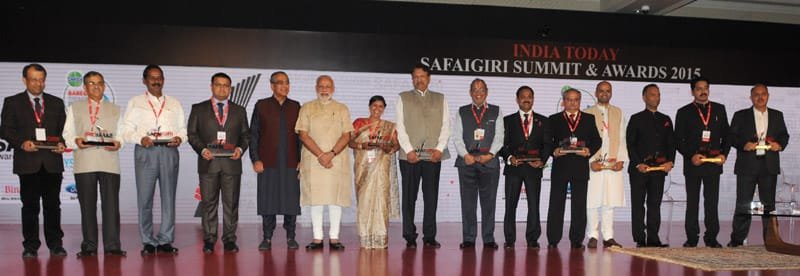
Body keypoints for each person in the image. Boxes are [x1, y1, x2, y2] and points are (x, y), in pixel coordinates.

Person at [0, 63, 68, 258]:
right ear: (24, 80)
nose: (38, 83)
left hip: (52, 162)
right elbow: (5, 129)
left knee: (53, 206)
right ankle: (30, 246)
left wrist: (62, 143)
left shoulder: (56, 102)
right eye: (34, 79)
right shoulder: (12, 102)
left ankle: (56, 244)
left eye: (41, 79)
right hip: (27, 162)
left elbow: (64, 131)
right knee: (29, 206)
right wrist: (21, 143)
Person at [119, 65, 187, 256]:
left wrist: (180, 138)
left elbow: (183, 129)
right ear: (144, 80)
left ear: (163, 80)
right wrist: (140, 138)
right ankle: (148, 240)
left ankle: (166, 239)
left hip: (169, 151)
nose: (156, 81)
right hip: (145, 151)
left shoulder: (174, 103)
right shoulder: (135, 102)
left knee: (168, 198)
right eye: (152, 78)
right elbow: (126, 129)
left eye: (159, 78)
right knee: (145, 198)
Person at [62, 71, 126, 257]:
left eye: (99, 83)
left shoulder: (115, 109)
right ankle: (89, 246)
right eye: (91, 83)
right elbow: (67, 134)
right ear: (84, 87)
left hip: (109, 162)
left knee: (111, 206)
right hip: (85, 162)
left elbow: (120, 133)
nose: (96, 86)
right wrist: (77, 141)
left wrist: (118, 143)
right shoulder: (74, 108)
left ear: (104, 86)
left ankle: (112, 246)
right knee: (87, 206)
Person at [187, 73, 250, 253]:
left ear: (230, 88)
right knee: (209, 204)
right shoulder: (198, 109)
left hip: (232, 164)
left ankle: (229, 239)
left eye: (226, 86)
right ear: (211, 86)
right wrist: (202, 150)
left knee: (231, 204)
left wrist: (240, 149)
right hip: (209, 163)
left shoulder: (239, 110)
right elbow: (192, 134)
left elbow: (246, 135)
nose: (222, 88)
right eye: (218, 85)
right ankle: (209, 239)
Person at [396, 63, 451, 248]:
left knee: (431, 197)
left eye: (422, 76)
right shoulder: (403, 98)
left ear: (429, 78)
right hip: (409, 157)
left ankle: (429, 236)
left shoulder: (440, 99)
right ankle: (409, 236)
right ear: (412, 79)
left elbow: (446, 126)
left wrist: (440, 149)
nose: (419, 80)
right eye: (415, 77)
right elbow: (400, 126)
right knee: (409, 197)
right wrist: (409, 150)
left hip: (433, 155)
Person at [296, 75, 354, 250]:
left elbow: (347, 135)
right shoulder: (307, 108)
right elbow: (303, 134)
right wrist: (322, 155)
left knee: (335, 200)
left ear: (333, 88)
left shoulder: (342, 108)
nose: (324, 89)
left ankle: (335, 238)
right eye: (321, 86)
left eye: (328, 86)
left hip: (336, 159)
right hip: (314, 160)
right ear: (316, 88)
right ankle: (317, 238)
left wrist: (331, 154)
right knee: (317, 199)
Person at [727, 84, 789, 247]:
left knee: (769, 205)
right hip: (747, 165)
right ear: (751, 97)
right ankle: (737, 240)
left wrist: (780, 145)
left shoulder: (777, 115)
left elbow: (784, 135)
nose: (760, 97)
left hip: (769, 166)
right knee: (743, 204)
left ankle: (771, 241)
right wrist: (743, 144)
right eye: (756, 94)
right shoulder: (740, 115)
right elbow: (731, 137)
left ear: (768, 96)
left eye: (763, 94)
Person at [674, 76, 730, 248]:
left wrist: (723, 154)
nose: (703, 91)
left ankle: (711, 237)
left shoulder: (719, 109)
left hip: (713, 164)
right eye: (699, 88)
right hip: (693, 164)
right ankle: (692, 238)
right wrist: (691, 155)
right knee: (693, 202)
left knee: (711, 202)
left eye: (705, 88)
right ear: (692, 91)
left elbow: (727, 136)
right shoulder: (683, 112)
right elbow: (678, 140)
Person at [250, 71, 302, 250]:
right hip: (268, 161)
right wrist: (255, 159)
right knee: (268, 200)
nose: (285, 86)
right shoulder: (262, 105)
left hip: (290, 161)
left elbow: (301, 137)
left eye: (287, 83)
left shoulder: (296, 106)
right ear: (272, 86)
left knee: (290, 200)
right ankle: (267, 237)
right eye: (280, 83)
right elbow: (254, 135)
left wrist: (301, 160)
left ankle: (291, 237)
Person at [498, 85, 553, 249]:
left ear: (533, 99)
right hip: (513, 169)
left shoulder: (544, 120)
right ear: (517, 99)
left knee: (534, 205)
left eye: (529, 96)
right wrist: (508, 157)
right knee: (510, 205)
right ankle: (509, 239)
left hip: (534, 168)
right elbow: (501, 144)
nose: (526, 99)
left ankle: (533, 238)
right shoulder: (507, 121)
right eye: (523, 96)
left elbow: (548, 144)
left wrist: (542, 160)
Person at [546, 88, 601, 249]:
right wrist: (553, 151)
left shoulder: (589, 119)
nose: (572, 102)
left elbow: (597, 141)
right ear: (563, 101)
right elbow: (548, 141)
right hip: (560, 167)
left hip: (579, 167)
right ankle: (553, 239)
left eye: (576, 99)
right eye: (569, 99)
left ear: (580, 101)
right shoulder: (554, 119)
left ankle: (577, 240)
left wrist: (589, 150)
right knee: (556, 205)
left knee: (579, 205)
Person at [452, 78, 504, 250]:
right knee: (468, 202)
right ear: (470, 92)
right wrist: (465, 155)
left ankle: (488, 238)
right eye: (475, 89)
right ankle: (468, 238)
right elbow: (457, 137)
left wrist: (490, 154)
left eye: (481, 89)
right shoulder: (462, 111)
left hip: (489, 163)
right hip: (467, 162)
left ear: (486, 92)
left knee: (488, 202)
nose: (478, 92)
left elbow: (499, 137)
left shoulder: (496, 111)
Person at [626, 84, 675, 248]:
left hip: (659, 171)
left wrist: (670, 161)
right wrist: (638, 163)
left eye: (658, 95)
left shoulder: (666, 119)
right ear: (644, 97)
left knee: (655, 204)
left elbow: (671, 143)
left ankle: (654, 238)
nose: (656, 98)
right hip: (640, 170)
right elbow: (630, 144)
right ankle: (640, 238)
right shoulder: (636, 118)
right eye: (653, 95)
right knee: (638, 204)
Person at [348, 95, 400, 249]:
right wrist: (362, 146)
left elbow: (396, 146)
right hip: (364, 167)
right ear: (369, 107)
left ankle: (380, 236)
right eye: (374, 106)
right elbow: (349, 141)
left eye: (380, 107)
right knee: (364, 200)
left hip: (382, 167)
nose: (377, 109)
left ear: (384, 109)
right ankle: (365, 237)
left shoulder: (390, 126)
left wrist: (388, 148)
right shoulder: (359, 123)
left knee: (381, 200)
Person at [583, 81, 627, 249]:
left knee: (609, 202)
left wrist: (621, 159)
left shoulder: (618, 112)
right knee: (592, 201)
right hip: (595, 163)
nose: (604, 93)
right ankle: (593, 235)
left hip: (613, 162)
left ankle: (608, 236)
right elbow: (584, 140)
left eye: (608, 91)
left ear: (611, 93)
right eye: (601, 91)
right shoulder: (587, 113)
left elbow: (622, 137)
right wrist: (590, 162)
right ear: (596, 92)